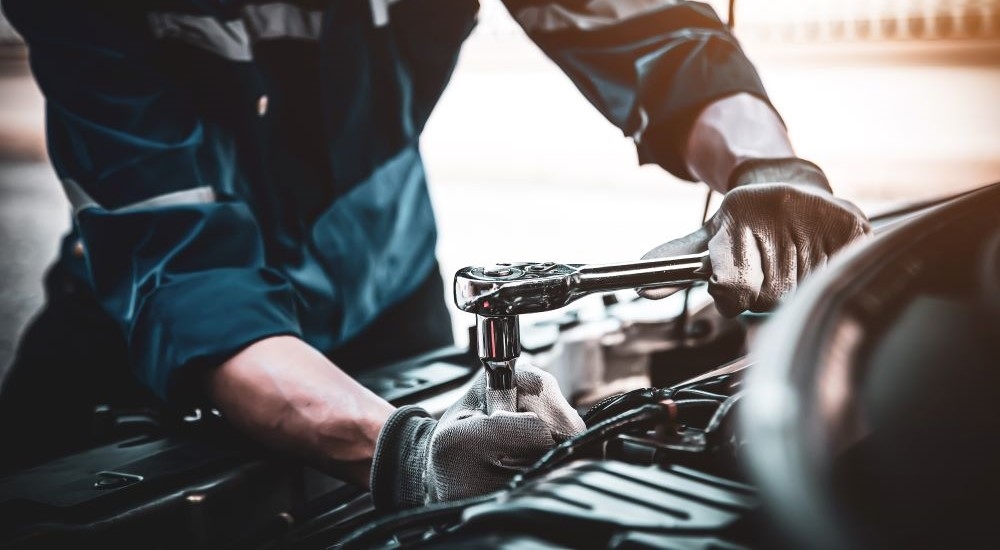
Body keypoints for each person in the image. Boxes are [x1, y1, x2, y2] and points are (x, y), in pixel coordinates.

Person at [0, 0, 868, 510]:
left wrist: (769, 165)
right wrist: (408, 452)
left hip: (385, 294)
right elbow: (186, 274)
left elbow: (647, 33)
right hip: (132, 343)